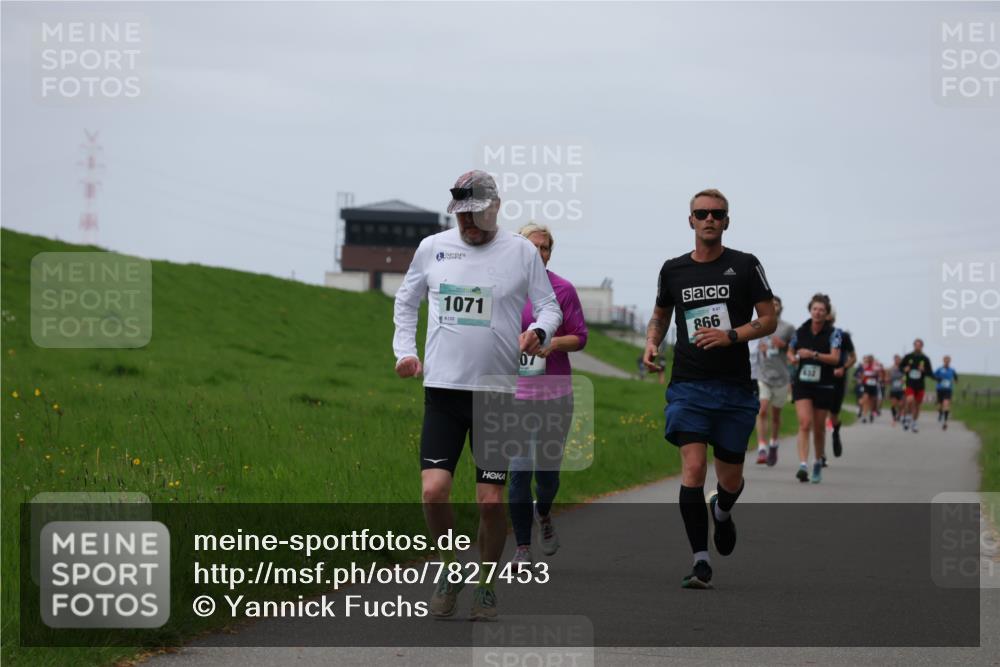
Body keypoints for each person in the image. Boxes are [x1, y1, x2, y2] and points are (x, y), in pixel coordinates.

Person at [393, 170, 562, 621]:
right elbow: (406, 301)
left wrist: (539, 329)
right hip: (444, 390)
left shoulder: (522, 251)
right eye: (461, 215)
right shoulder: (433, 248)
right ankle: (450, 570)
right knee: (434, 491)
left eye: (475, 214)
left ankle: (485, 583)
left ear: (495, 207)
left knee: (489, 501)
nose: (467, 223)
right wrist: (405, 352)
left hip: (495, 392)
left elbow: (549, 306)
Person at [643, 188, 777, 589]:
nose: (709, 219)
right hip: (689, 386)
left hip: (734, 389)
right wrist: (652, 342)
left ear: (726, 221)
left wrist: (731, 335)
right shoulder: (673, 270)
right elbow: (660, 315)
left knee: (730, 479)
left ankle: (722, 511)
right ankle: (700, 561)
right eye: (701, 213)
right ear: (691, 221)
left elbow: (768, 318)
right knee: (694, 469)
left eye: (717, 214)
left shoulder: (746, 265)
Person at [509, 223, 588, 565]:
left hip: (555, 393)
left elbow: (580, 337)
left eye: (545, 248)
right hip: (514, 395)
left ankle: (544, 513)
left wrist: (551, 342)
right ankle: (522, 548)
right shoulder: (504, 288)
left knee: (546, 476)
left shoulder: (563, 290)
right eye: (533, 247)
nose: (540, 254)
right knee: (519, 470)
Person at [787, 294, 842, 484]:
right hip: (803, 384)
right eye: (815, 309)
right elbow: (790, 349)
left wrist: (813, 354)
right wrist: (792, 357)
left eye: (822, 310)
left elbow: (835, 359)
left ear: (827, 314)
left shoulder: (834, 333)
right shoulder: (800, 331)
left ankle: (817, 461)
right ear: (810, 310)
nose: (818, 312)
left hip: (824, 385)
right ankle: (803, 465)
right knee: (804, 423)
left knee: (819, 429)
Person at [752, 295, 795, 466]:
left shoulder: (788, 328)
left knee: (776, 415)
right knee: (762, 410)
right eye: (772, 304)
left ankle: (774, 444)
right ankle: (762, 447)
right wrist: (759, 347)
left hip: (781, 376)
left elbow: (794, 348)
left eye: (777, 304)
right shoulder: (759, 324)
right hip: (763, 375)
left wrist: (783, 345)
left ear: (780, 307)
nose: (774, 306)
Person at [826, 309, 855, 462]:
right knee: (819, 416)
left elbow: (853, 357)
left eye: (829, 314)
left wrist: (843, 368)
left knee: (833, 415)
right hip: (820, 379)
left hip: (837, 378)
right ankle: (821, 455)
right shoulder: (814, 334)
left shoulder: (842, 335)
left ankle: (836, 431)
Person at [900, 339, 934, 433]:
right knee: (909, 400)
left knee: (917, 405)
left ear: (922, 346)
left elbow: (930, 372)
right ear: (913, 346)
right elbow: (900, 367)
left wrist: (924, 370)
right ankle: (907, 418)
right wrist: (904, 369)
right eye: (916, 345)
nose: (917, 347)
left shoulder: (925, 358)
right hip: (910, 383)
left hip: (920, 385)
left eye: (919, 345)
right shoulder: (908, 356)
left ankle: (914, 423)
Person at [934, 355, 959, 430]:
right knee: (940, 405)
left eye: (948, 361)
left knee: (946, 403)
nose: (947, 362)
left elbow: (956, 379)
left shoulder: (952, 370)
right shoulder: (939, 369)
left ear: (950, 361)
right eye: (946, 360)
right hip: (940, 389)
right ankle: (940, 413)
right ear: (943, 361)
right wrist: (938, 379)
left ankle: (945, 421)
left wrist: (954, 381)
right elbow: (934, 376)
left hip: (948, 389)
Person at [858, 354, 883, 423]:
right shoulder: (865, 366)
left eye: (871, 359)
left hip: (874, 386)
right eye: (868, 359)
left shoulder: (876, 367)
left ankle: (871, 413)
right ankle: (864, 416)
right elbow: (862, 375)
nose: (869, 360)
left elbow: (880, 375)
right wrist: (862, 379)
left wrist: (877, 374)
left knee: (872, 402)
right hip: (867, 385)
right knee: (865, 400)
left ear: (873, 360)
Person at [887, 355, 906, 425]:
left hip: (902, 389)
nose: (897, 361)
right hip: (893, 389)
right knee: (894, 404)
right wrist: (888, 380)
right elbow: (887, 379)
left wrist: (904, 379)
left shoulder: (903, 368)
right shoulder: (891, 369)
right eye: (896, 360)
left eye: (898, 360)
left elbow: (906, 376)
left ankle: (900, 415)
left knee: (901, 404)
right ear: (894, 360)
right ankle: (894, 417)